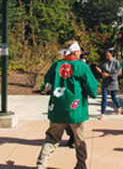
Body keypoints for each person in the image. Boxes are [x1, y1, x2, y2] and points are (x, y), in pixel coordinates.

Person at [36, 40, 98, 169]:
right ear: (75, 51)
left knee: (51, 138)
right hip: (76, 109)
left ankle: (41, 165)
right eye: (79, 50)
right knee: (79, 139)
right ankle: (81, 166)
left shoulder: (56, 65)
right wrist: (92, 94)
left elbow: (47, 84)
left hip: (58, 107)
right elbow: (92, 87)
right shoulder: (82, 66)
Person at [96, 47, 122, 120]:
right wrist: (100, 71)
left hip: (113, 81)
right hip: (105, 82)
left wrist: (109, 75)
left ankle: (119, 107)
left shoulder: (116, 62)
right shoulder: (104, 62)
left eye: (107, 53)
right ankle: (102, 113)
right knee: (104, 98)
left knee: (114, 97)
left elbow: (117, 72)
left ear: (111, 53)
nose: (106, 55)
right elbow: (101, 69)